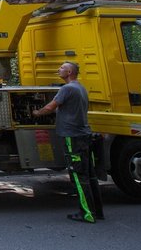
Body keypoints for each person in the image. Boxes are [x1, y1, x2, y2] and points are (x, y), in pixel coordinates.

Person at [32, 62, 104, 223]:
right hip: (83, 135)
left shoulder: (67, 89)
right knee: (90, 176)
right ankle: (97, 211)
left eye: (62, 68)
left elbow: (50, 107)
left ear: (70, 71)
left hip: (73, 138)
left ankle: (86, 214)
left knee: (78, 177)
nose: (58, 69)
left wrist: (36, 112)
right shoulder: (81, 88)